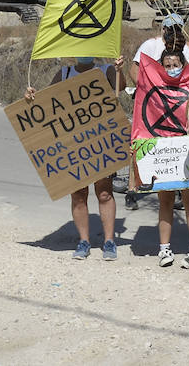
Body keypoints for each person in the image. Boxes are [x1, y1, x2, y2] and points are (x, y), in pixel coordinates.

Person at [24, 55, 125, 262]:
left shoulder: (106, 70)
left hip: (100, 140)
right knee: (78, 194)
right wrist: (30, 97)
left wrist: (119, 69)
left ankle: (109, 241)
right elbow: (45, 103)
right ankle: (84, 241)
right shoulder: (64, 74)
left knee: (104, 192)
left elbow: (121, 87)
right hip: (73, 142)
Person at [129, 14, 189, 268]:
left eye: (176, 64)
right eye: (168, 65)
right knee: (165, 199)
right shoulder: (150, 47)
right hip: (161, 143)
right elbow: (138, 75)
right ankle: (165, 249)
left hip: (185, 142)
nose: (172, 67)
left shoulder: (188, 60)